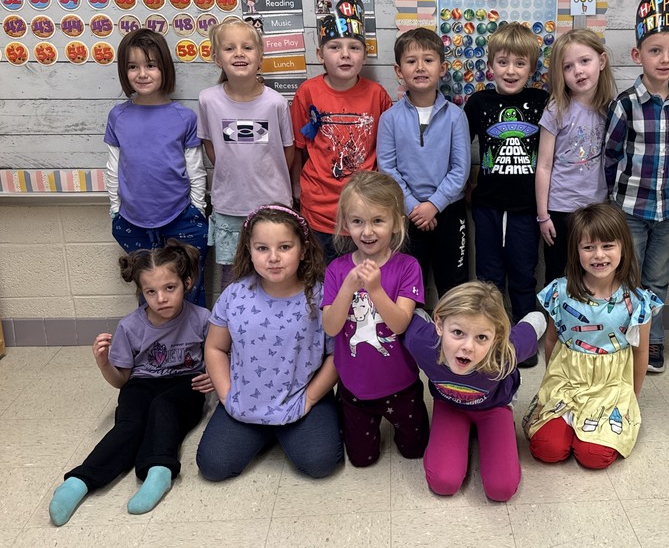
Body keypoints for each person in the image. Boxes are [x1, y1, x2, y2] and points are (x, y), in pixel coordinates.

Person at [48, 241, 211, 526]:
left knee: (163, 407)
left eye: (169, 288)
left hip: (186, 385)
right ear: (141, 292)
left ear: (187, 282)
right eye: (151, 292)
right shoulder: (129, 326)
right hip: (141, 383)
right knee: (130, 424)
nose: (161, 298)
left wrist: (214, 373)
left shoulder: (203, 319)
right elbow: (121, 380)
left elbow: (218, 357)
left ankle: (159, 469)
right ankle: (81, 480)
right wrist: (104, 365)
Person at [196, 204, 343, 480]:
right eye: (262, 248)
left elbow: (336, 356)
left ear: (303, 250)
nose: (273, 258)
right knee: (213, 466)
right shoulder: (234, 295)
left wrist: (310, 398)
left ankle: (287, 430)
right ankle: (266, 431)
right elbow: (215, 347)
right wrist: (227, 395)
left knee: (320, 464)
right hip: (246, 401)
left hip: (301, 398)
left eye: (285, 247)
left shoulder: (322, 296)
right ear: (249, 251)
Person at [523, 203, 662, 469]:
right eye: (588, 247)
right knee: (547, 449)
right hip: (566, 381)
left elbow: (640, 352)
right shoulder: (560, 292)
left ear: (623, 248)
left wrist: (631, 398)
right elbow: (552, 339)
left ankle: (587, 433)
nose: (599, 255)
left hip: (610, 387)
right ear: (576, 252)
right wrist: (551, 384)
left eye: (608, 246)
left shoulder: (637, 301)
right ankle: (566, 425)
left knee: (594, 457)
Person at [605, 0, 669, 373]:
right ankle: (624, 339)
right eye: (655, 50)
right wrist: (613, 200)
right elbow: (611, 155)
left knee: (658, 278)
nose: (665, 59)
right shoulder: (624, 104)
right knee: (628, 277)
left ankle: (652, 342)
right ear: (638, 55)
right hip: (630, 210)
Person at [322, 171, 430, 467]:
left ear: (396, 222)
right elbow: (330, 327)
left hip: (402, 383)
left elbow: (399, 325)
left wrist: (375, 289)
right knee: (362, 460)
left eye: (377, 221)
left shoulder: (408, 266)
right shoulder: (336, 269)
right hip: (354, 387)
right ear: (346, 223)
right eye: (357, 222)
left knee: (415, 450)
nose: (367, 232)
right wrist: (347, 287)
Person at [404, 282, 545, 501]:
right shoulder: (421, 342)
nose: (468, 347)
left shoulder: (505, 354)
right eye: (458, 332)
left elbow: (537, 320)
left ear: (497, 338)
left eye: (481, 337)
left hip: (494, 408)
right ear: (439, 325)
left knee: (501, 489)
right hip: (449, 405)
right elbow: (411, 314)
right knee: (443, 482)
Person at [464, 22, 549, 367]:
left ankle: (524, 340)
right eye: (503, 62)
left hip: (527, 208)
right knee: (488, 275)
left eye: (519, 63)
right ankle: (490, 337)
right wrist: (468, 180)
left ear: (532, 67)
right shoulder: (478, 102)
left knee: (524, 274)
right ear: (490, 65)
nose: (510, 71)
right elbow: (457, 147)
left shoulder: (543, 101)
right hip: (486, 206)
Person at [104, 28, 208, 307]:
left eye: (150, 65)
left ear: (164, 68)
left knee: (189, 288)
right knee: (151, 291)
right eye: (133, 66)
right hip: (132, 220)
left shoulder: (184, 117)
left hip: (181, 218)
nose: (142, 73)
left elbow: (195, 169)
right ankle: (155, 347)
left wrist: (196, 208)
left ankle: (197, 347)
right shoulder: (118, 116)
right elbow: (113, 166)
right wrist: (115, 208)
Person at [291, 0, 391, 263]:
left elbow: (386, 154)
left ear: (365, 55)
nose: (345, 54)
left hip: (365, 215)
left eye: (354, 47)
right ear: (320, 55)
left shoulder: (377, 95)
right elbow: (298, 150)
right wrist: (298, 194)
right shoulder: (307, 92)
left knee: (365, 290)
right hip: (319, 214)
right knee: (324, 287)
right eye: (335, 47)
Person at [198, 16, 293, 290]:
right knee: (234, 280)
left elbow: (286, 152)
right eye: (229, 48)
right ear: (217, 58)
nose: (239, 54)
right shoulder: (208, 100)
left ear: (260, 55)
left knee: (276, 274)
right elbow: (211, 146)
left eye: (247, 47)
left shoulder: (276, 102)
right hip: (230, 206)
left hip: (273, 205)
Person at [377, 27, 471, 301]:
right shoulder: (390, 119)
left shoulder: (455, 116)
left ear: (442, 68)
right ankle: (409, 340)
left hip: (449, 213)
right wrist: (413, 206)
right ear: (398, 70)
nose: (420, 67)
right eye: (411, 61)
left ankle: (453, 340)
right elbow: (388, 168)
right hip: (407, 216)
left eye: (428, 60)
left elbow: (460, 169)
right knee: (407, 286)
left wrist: (434, 205)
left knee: (454, 285)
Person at [537, 28, 616, 285]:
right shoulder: (556, 108)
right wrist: (543, 215)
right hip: (561, 209)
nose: (578, 71)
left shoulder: (610, 109)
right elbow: (544, 166)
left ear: (601, 62)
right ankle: (554, 326)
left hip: (596, 208)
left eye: (585, 61)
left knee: (593, 275)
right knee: (559, 276)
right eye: (568, 67)